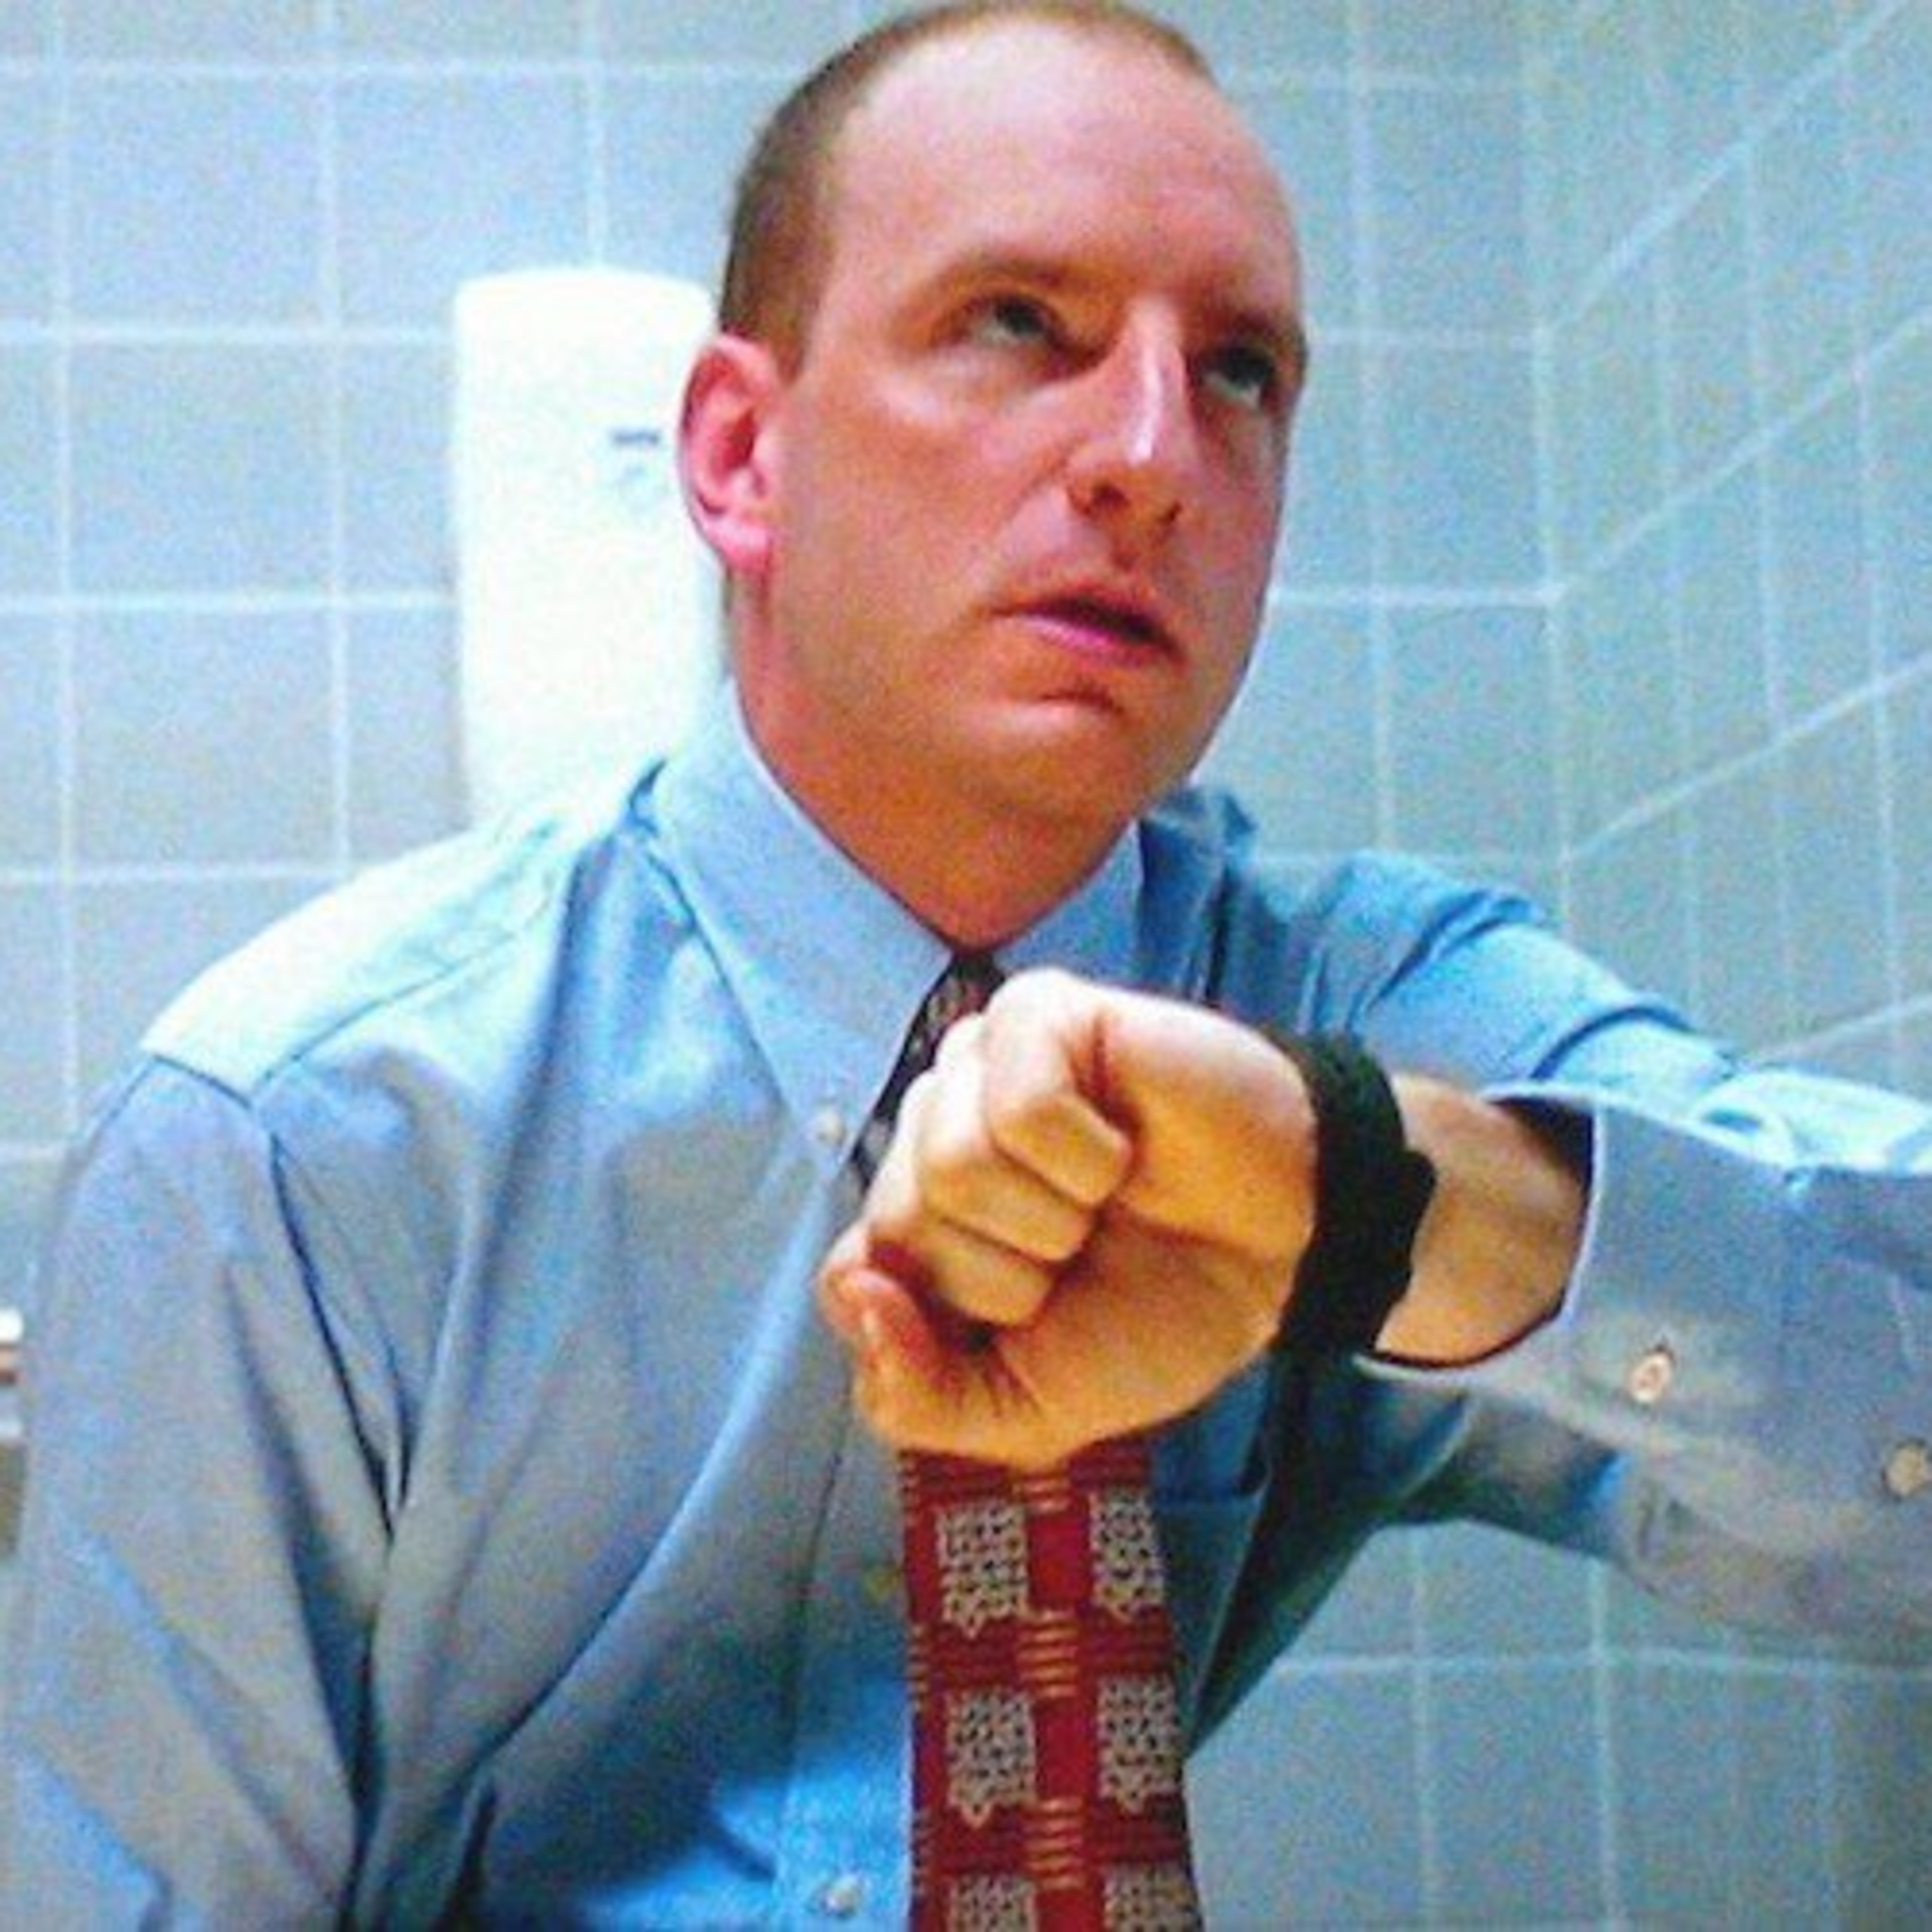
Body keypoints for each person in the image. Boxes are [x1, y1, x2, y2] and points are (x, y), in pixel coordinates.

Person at [3, 2, 1927, 1922]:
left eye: (1240, 370)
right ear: (739, 456)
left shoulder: (1344, 1013)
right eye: (1017, 322)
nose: (1156, 457)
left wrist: (1366, 1195)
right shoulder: (295, 1144)